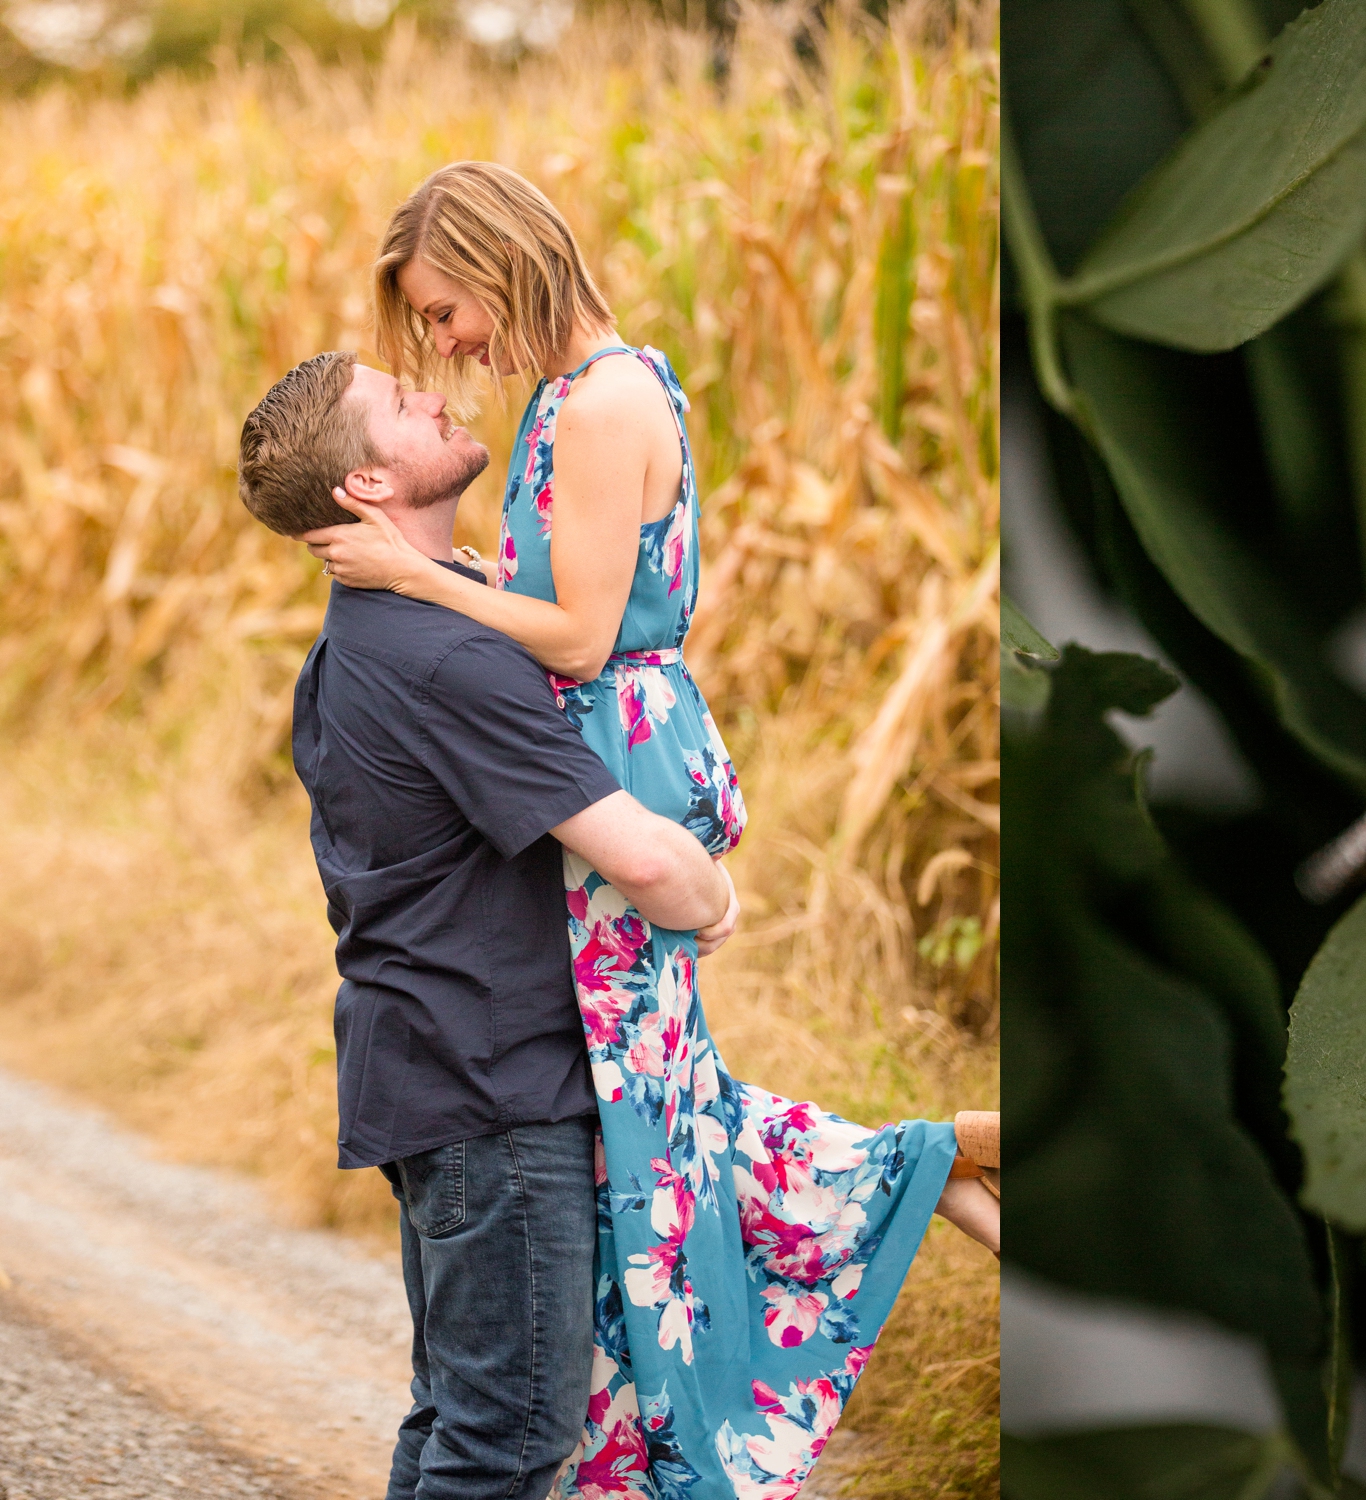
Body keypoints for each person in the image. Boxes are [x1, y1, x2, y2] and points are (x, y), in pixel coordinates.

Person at [292, 162, 997, 1500]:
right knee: (658, 1119)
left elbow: (581, 634)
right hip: (591, 749)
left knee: (654, 1125)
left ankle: (714, 1392)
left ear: (504, 263)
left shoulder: (607, 401)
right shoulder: (568, 403)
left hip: (612, 749)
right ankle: (929, 1164)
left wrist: (417, 579)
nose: (447, 345)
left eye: (446, 310)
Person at [238, 349, 743, 1500]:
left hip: (432, 1070)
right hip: (490, 1086)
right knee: (508, 1441)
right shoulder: (447, 656)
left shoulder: (372, 631)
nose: (431, 390)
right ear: (366, 485)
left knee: (463, 1420)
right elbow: (643, 861)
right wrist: (711, 895)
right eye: (398, 404)